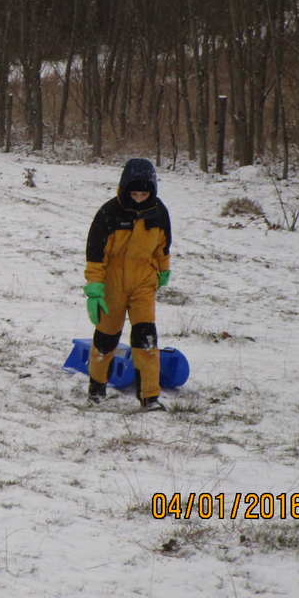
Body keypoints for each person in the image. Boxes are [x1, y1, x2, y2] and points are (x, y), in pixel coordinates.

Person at [83, 157, 172, 411]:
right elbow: (96, 255)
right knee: (106, 339)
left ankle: (149, 397)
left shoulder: (158, 213)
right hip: (112, 285)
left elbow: (163, 247)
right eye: (134, 193)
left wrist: (163, 271)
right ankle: (97, 388)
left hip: (144, 283)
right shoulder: (109, 214)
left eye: (144, 193)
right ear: (124, 189)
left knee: (146, 338)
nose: (139, 198)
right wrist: (94, 288)